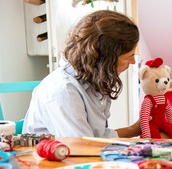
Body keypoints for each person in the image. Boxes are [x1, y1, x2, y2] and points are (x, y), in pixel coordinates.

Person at [23, 10, 141, 138]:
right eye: (129, 56)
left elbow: (98, 136)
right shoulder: (62, 91)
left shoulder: (92, 78)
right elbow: (83, 147)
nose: (133, 61)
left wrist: (133, 129)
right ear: (105, 60)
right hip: (69, 154)